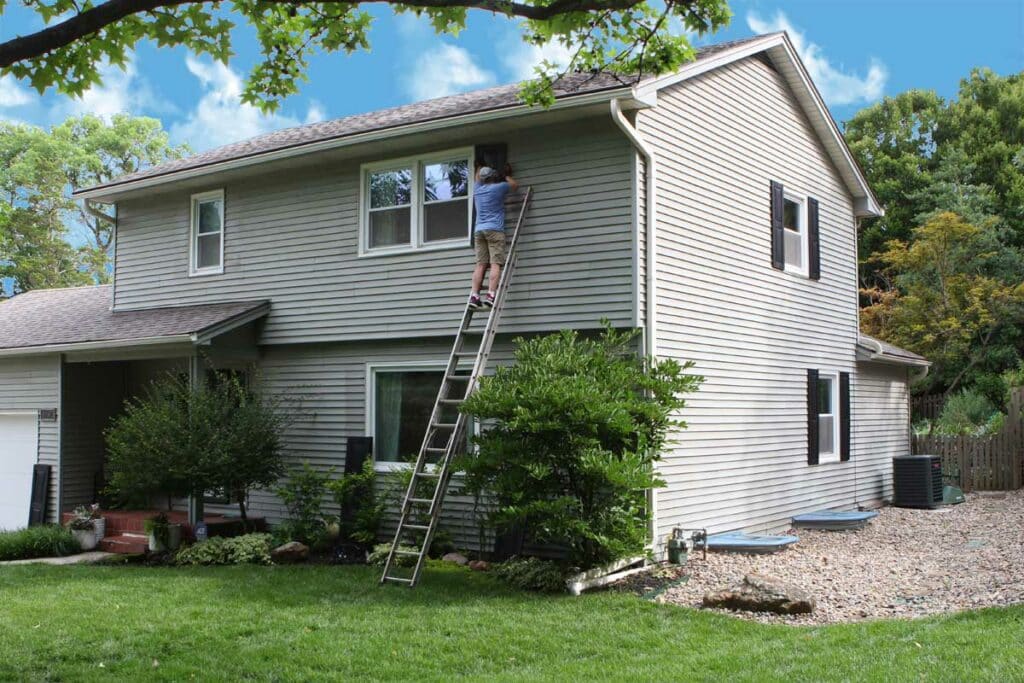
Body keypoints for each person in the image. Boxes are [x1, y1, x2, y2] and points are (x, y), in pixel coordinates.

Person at [469, 163, 519, 310]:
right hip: (495, 230)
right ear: (493, 177)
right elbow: (515, 186)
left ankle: (474, 295)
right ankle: (491, 295)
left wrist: (479, 166)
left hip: (479, 231)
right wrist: (506, 176)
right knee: (495, 263)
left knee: (481, 264)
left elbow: (477, 175)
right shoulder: (499, 187)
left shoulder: (477, 188)